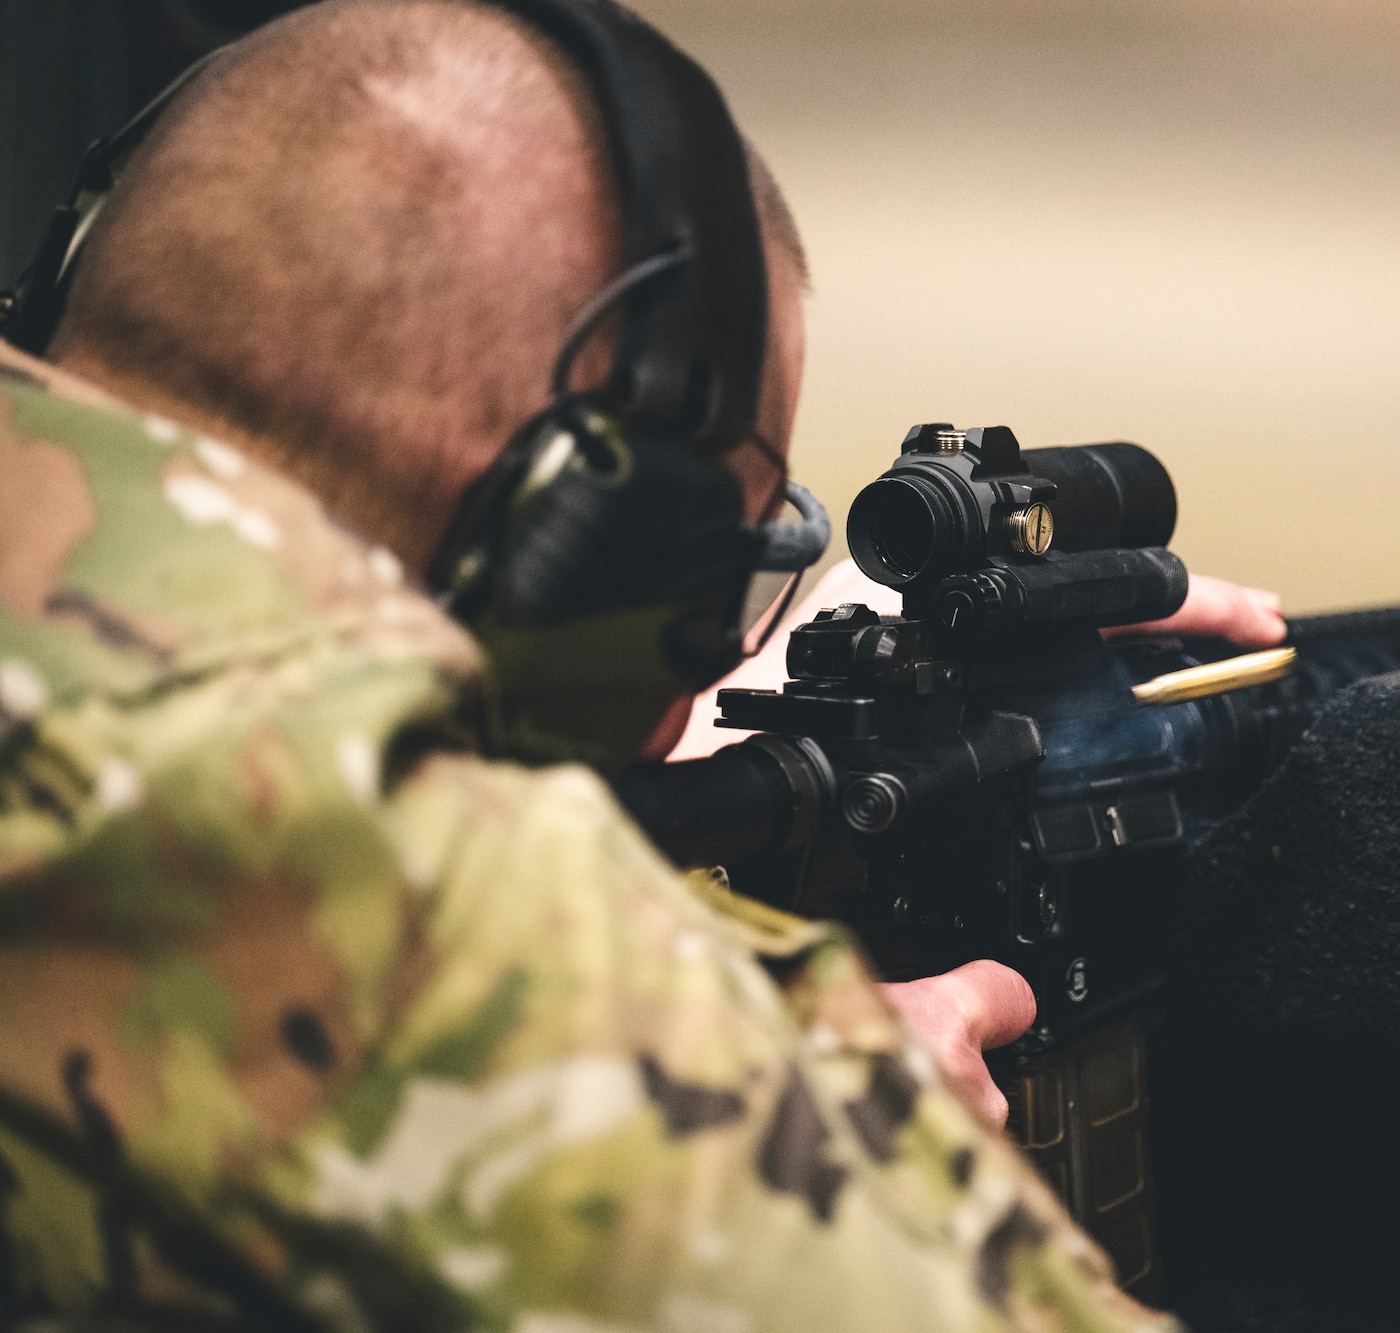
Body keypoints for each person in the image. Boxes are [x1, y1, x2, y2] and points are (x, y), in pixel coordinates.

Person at [0, 0, 1281, 1326]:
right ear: (571, 552)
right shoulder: (425, 941)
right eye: (710, 583)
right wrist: (814, 1080)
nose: (693, 683)